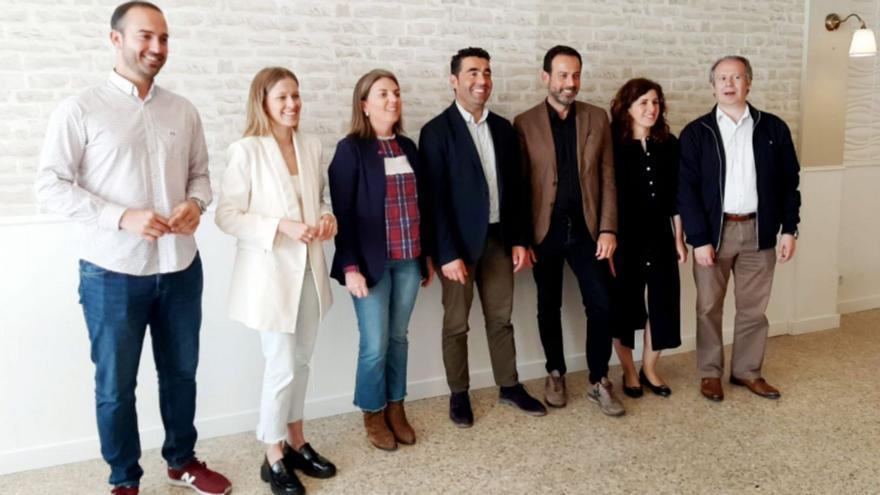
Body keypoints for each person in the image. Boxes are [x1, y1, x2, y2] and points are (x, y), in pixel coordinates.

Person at [34, 2, 230, 494]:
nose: (157, 48)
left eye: (164, 38)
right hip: (112, 272)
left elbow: (202, 175)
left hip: (181, 267)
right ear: (115, 39)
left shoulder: (182, 110)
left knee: (181, 374)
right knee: (116, 388)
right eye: (146, 36)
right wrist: (120, 216)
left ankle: (181, 461)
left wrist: (195, 203)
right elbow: (49, 185)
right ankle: (124, 479)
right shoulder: (79, 109)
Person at [215, 67, 337, 495]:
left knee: (302, 361)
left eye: (296, 96)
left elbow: (320, 199)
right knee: (281, 365)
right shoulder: (246, 151)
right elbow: (226, 215)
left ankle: (297, 440)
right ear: (263, 102)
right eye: (282, 97)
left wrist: (326, 218)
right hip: (270, 277)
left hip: (309, 269)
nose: (292, 105)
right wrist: (279, 226)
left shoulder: (311, 145)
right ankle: (273, 454)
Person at [420, 47, 546, 428]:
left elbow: (519, 191)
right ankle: (459, 394)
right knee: (456, 324)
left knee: (501, 319)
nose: (482, 80)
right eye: (473, 72)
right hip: (456, 247)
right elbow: (433, 201)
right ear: (454, 80)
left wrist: (521, 240)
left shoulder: (504, 130)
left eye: (487, 72)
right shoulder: (436, 132)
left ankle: (509, 386)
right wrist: (445, 253)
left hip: (499, 241)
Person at [678, 55, 801, 402]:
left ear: (749, 82)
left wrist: (789, 230)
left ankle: (747, 371)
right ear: (713, 85)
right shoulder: (696, 133)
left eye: (736, 77)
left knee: (753, 310)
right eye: (722, 78)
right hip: (714, 236)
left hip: (759, 232)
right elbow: (685, 191)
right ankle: (709, 373)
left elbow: (789, 184)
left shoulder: (773, 128)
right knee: (707, 307)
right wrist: (698, 239)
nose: (729, 84)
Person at [514, 45, 623, 416]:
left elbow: (608, 178)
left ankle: (598, 380)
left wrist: (609, 229)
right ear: (545, 77)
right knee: (548, 305)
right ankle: (555, 371)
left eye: (575, 74)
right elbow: (522, 186)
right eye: (562, 75)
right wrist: (524, 239)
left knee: (602, 304)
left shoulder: (597, 117)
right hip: (545, 234)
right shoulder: (524, 123)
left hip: (589, 232)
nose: (570, 82)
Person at [328, 69, 434, 451]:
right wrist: (350, 267)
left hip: (408, 261)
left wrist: (427, 258)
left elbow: (423, 206)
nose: (393, 99)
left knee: (398, 339)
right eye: (383, 93)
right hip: (370, 267)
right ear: (364, 105)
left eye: (396, 92)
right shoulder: (350, 149)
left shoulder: (408, 147)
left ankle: (396, 408)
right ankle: (372, 413)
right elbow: (344, 214)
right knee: (374, 344)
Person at [608, 78, 687, 399]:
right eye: (643, 102)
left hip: (660, 235)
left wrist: (679, 239)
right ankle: (628, 370)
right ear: (626, 108)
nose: (651, 109)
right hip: (623, 238)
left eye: (655, 102)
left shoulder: (669, 144)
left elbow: (676, 199)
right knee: (623, 306)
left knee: (663, 302)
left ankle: (650, 368)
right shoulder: (612, 145)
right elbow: (604, 198)